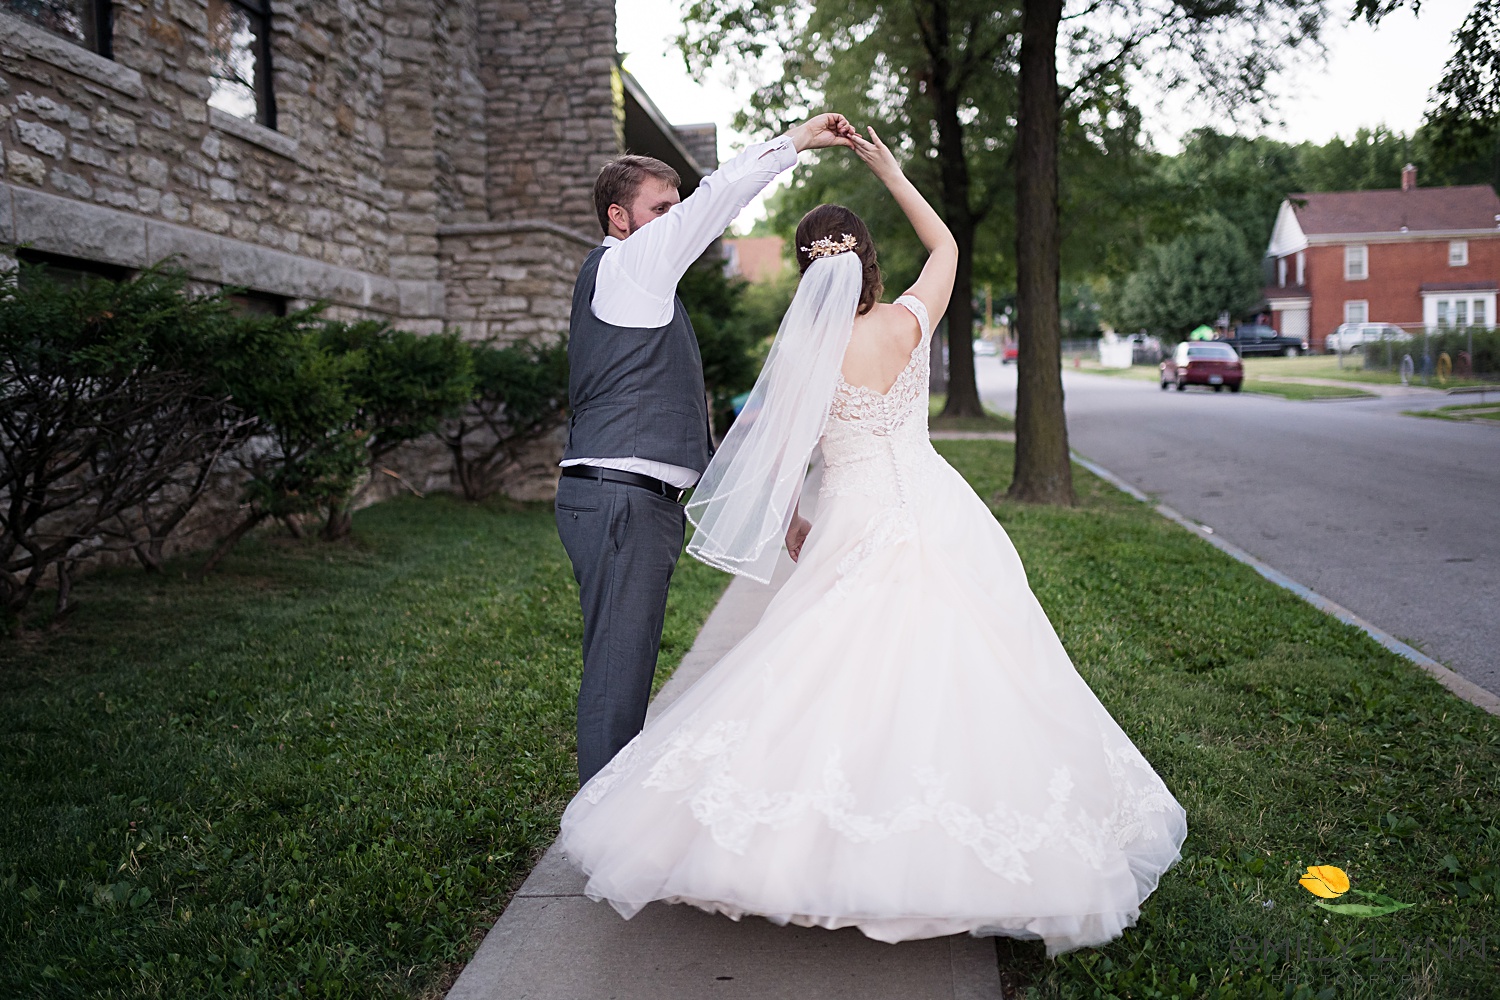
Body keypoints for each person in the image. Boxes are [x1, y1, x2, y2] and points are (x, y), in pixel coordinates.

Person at [557, 127, 1188, 957]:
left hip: (850, 516)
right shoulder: (908, 324)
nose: (677, 217)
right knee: (972, 660)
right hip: (932, 507)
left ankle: (781, 836)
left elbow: (779, 456)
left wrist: (786, 524)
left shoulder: (802, 357)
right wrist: (889, 167)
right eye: (661, 207)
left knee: (820, 667)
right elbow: (948, 246)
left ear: (810, 266)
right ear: (867, 260)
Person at [557, 112, 858, 785]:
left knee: (625, 666)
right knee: (617, 672)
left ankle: (608, 811)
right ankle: (600, 826)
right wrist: (798, 141)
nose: (677, 218)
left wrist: (778, 507)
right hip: (620, 502)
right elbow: (720, 195)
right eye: (661, 208)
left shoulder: (639, 286)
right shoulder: (630, 268)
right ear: (620, 219)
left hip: (629, 501)